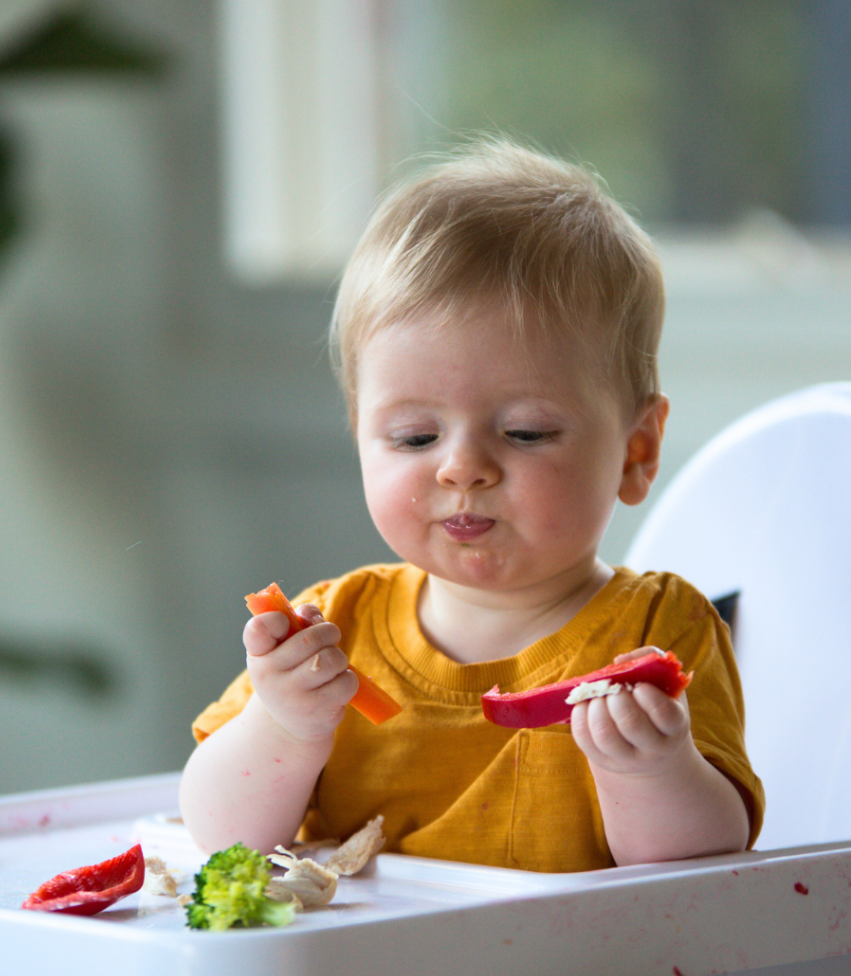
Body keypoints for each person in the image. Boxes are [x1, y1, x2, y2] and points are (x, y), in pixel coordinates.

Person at [179, 139, 764, 872]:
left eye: (525, 432)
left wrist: (649, 770)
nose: (462, 468)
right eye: (414, 435)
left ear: (635, 451)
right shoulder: (335, 628)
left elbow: (702, 873)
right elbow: (219, 836)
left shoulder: (656, 633)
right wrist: (286, 726)